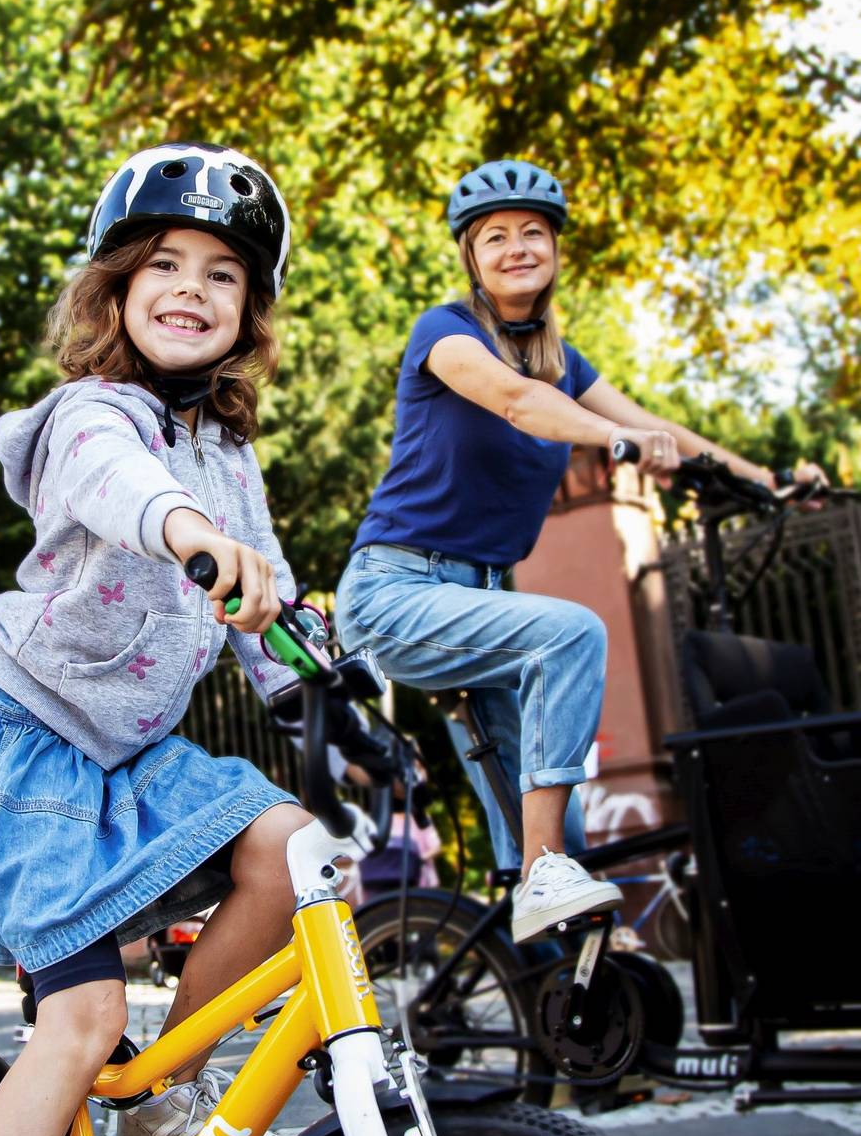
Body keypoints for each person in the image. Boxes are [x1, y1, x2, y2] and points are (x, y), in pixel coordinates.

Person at [0, 143, 310, 1136]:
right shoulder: (89, 414)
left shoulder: (227, 453)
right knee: (84, 1016)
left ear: (248, 311)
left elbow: (267, 605)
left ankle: (160, 1091)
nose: (192, 288)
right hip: (19, 747)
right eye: (165, 264)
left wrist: (329, 689)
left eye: (222, 273)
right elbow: (120, 482)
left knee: (294, 845)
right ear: (117, 287)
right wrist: (192, 533)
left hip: (131, 757)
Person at [336, 159, 825, 943]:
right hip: (397, 594)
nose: (517, 246)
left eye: (533, 231)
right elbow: (517, 402)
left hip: (482, 607)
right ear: (471, 258)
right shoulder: (445, 332)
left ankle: (574, 974)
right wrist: (619, 440)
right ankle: (541, 877)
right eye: (495, 237)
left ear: (557, 249)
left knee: (556, 819)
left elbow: (658, 425)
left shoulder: (564, 363)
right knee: (571, 631)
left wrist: (764, 480)